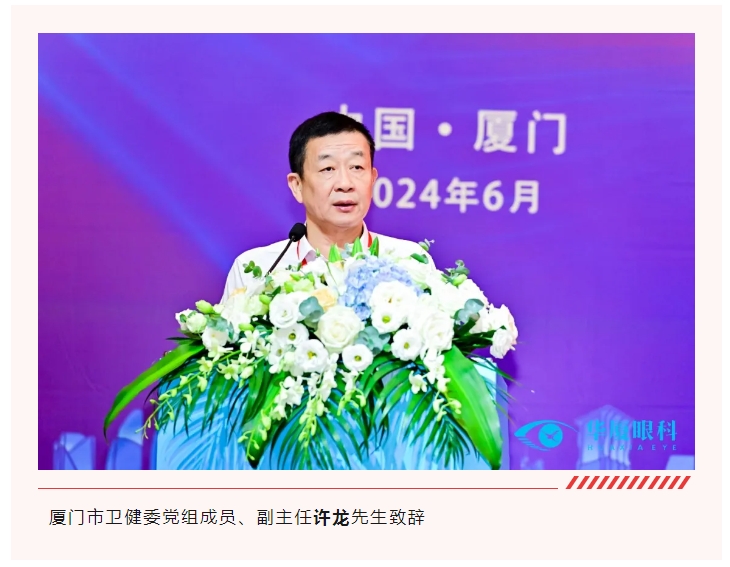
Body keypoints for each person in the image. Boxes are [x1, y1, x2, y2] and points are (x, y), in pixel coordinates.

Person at [221, 111, 432, 302]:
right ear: (297, 186)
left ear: (372, 179)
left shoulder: (410, 263)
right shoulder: (257, 270)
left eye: (357, 167)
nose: (345, 184)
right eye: (328, 169)